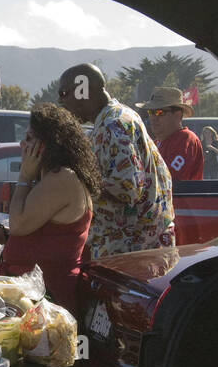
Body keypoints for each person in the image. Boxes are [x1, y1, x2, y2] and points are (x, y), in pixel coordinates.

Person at [56, 63, 174, 257]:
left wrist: (75, 182)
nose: (61, 102)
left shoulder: (114, 124)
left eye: (63, 93)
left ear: (82, 91)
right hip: (131, 245)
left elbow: (127, 188)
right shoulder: (115, 117)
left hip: (130, 249)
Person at [0, 103, 96, 313]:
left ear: (50, 144)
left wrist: (24, 176)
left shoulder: (63, 178)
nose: (23, 144)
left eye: (30, 138)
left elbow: (19, 224)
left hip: (49, 299)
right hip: (33, 297)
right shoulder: (52, 177)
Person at [147, 86, 203, 181]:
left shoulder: (186, 139)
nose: (153, 118)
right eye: (150, 112)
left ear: (177, 115)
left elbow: (166, 179)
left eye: (159, 112)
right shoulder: (156, 144)